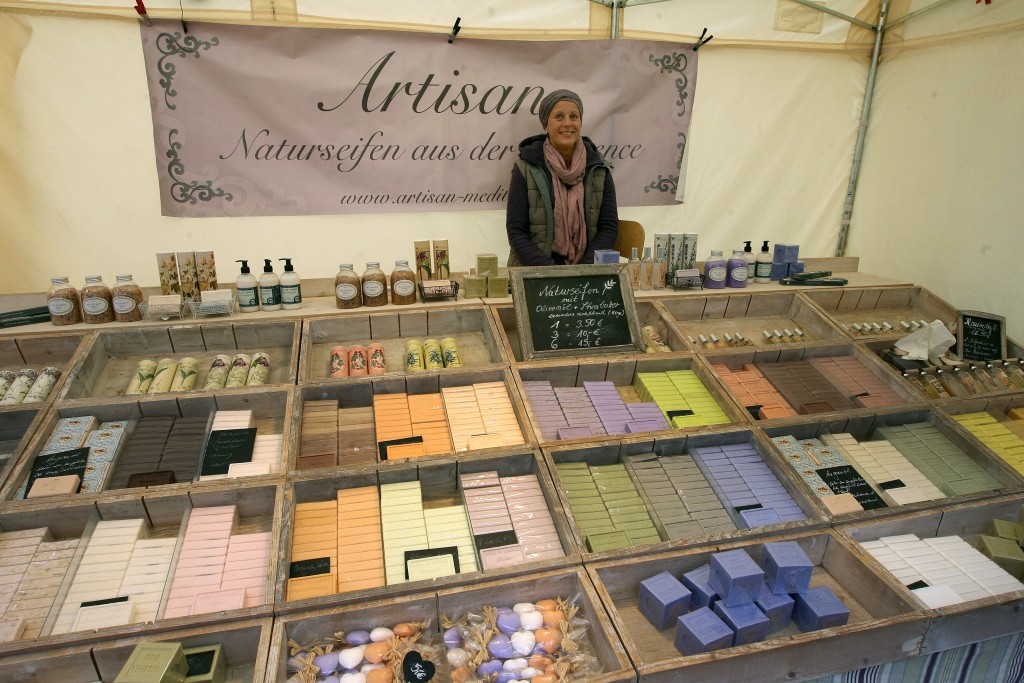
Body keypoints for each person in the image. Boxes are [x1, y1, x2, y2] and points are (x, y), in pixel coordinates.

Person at [505, 89, 619, 266]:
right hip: (536, 271)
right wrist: (552, 272)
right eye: (559, 117)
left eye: (574, 117)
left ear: (580, 122)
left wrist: (584, 270)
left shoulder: (599, 169)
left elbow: (608, 228)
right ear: (545, 124)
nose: (567, 123)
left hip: (586, 270)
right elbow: (516, 231)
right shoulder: (525, 168)